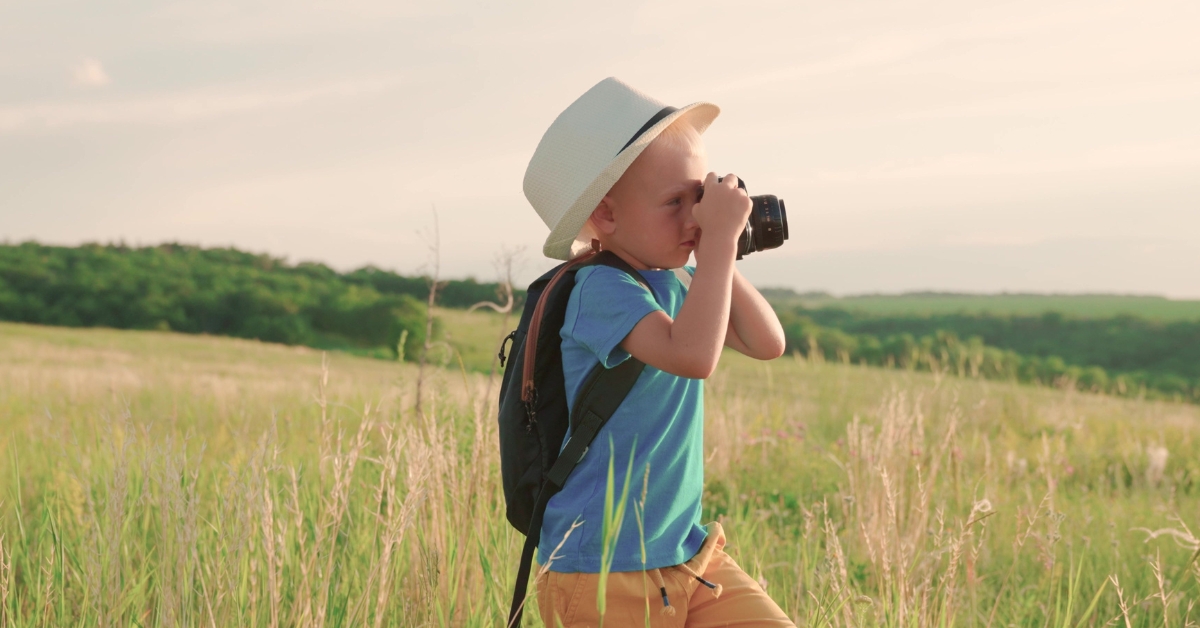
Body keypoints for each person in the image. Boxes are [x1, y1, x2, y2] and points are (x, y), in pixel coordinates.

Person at [522, 77, 793, 627]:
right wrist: (714, 243)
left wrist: (718, 249)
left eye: (700, 197)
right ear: (606, 217)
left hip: (685, 554)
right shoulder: (598, 290)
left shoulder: (681, 279)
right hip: (602, 570)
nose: (693, 217)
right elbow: (694, 356)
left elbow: (768, 343)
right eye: (675, 202)